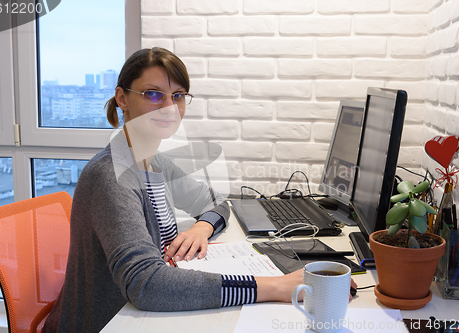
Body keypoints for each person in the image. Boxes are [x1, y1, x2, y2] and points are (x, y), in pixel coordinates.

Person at [43, 47, 355, 333]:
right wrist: (274, 287)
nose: (168, 107)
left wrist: (201, 228)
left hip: (144, 317)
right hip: (108, 323)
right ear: (122, 98)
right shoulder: (111, 176)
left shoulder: (155, 162)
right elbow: (145, 284)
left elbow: (218, 202)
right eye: (154, 94)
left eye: (178, 96)